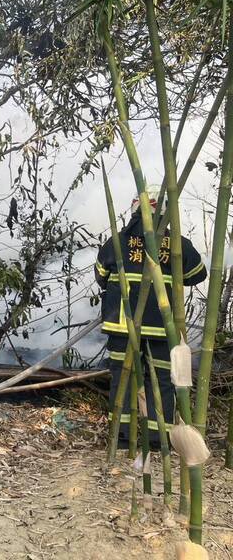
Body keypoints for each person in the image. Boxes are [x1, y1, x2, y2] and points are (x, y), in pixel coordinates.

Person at [95, 185, 207, 445]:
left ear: (135, 207)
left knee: (123, 380)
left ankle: (122, 439)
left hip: (123, 327)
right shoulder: (174, 243)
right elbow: (198, 274)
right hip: (161, 329)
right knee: (163, 383)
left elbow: (101, 275)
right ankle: (159, 440)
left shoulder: (118, 241)